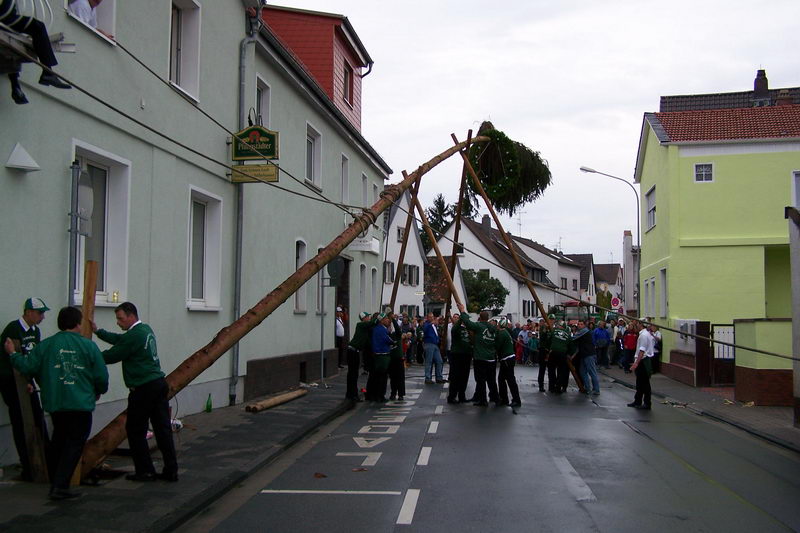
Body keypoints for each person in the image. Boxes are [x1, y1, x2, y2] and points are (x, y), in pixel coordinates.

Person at [5, 306, 108, 500]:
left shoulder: (47, 345)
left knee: (59, 440)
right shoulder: (88, 346)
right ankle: (60, 486)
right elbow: (101, 376)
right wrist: (98, 391)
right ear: (78, 324)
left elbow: (28, 365)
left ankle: (54, 478)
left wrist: (13, 354)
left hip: (56, 403)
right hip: (80, 403)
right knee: (74, 444)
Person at [93, 302, 178, 482]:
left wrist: (88, 355)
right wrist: (98, 332)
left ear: (131, 316)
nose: (118, 322)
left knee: (135, 430)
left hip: (143, 388)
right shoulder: (144, 330)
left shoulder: (134, 336)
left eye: (120, 318)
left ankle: (145, 470)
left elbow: (113, 354)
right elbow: (120, 340)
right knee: (162, 429)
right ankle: (171, 469)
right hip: (158, 384)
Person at [0, 297, 50, 481]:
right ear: (28, 312)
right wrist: (23, 382)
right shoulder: (13, 329)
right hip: (13, 384)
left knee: (37, 419)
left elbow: (34, 358)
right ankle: (28, 465)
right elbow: (8, 361)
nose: (42, 317)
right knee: (21, 423)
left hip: (28, 382)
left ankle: (43, 460)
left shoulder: (35, 331)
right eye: (39, 313)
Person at [1, 0, 72, 105]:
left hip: (4, 16)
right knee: (38, 27)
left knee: (14, 46)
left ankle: (15, 86)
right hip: (4, 15)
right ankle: (48, 72)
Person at [456, 304, 498, 406]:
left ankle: (483, 400)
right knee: (492, 380)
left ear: (480, 317)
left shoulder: (479, 326)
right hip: (491, 358)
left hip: (481, 358)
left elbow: (467, 322)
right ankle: (495, 398)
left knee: (481, 380)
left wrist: (462, 310)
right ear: (488, 318)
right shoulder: (493, 328)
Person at [345, 311, 374, 402]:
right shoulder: (360, 325)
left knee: (354, 374)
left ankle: (352, 394)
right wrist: (380, 317)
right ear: (364, 318)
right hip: (352, 351)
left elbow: (369, 342)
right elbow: (372, 323)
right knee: (352, 374)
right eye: (368, 317)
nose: (369, 318)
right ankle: (352, 394)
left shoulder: (365, 329)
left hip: (356, 352)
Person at [628, 320, 655, 410]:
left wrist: (636, 363)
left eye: (637, 324)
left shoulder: (643, 335)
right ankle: (638, 401)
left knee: (644, 383)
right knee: (640, 383)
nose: (636, 326)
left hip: (643, 361)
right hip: (644, 360)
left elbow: (642, 351)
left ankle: (647, 403)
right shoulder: (646, 334)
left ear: (640, 325)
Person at [446, 313, 472, 404]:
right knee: (455, 376)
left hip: (467, 355)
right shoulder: (456, 328)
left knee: (464, 377)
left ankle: (462, 395)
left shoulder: (468, 330)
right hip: (457, 354)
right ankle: (452, 396)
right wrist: (461, 318)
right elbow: (455, 328)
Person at [367, 314, 393, 402]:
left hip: (377, 354)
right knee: (382, 377)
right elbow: (387, 340)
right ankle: (380, 395)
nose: (388, 320)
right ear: (381, 320)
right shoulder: (381, 329)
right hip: (382, 354)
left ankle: (374, 395)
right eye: (386, 319)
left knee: (376, 376)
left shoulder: (376, 329)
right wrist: (394, 342)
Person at [496, 318, 521, 407]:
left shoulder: (502, 333)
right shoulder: (506, 332)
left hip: (507, 359)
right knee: (502, 379)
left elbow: (497, 346)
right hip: (508, 358)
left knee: (510, 380)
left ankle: (516, 400)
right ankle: (504, 399)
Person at [422, 313, 445, 384]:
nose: (432, 318)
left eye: (432, 317)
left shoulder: (434, 325)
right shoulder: (426, 324)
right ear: (427, 318)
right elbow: (425, 330)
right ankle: (428, 378)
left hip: (435, 344)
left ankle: (439, 377)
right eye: (430, 317)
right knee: (429, 362)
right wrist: (431, 323)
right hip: (429, 344)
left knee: (439, 361)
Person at [387, 313, 405, 401]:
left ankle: (401, 394)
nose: (390, 328)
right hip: (391, 359)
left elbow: (398, 329)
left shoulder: (396, 335)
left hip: (399, 358)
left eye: (390, 326)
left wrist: (393, 319)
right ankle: (393, 393)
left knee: (400, 377)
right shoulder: (387, 335)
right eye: (388, 327)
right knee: (393, 378)